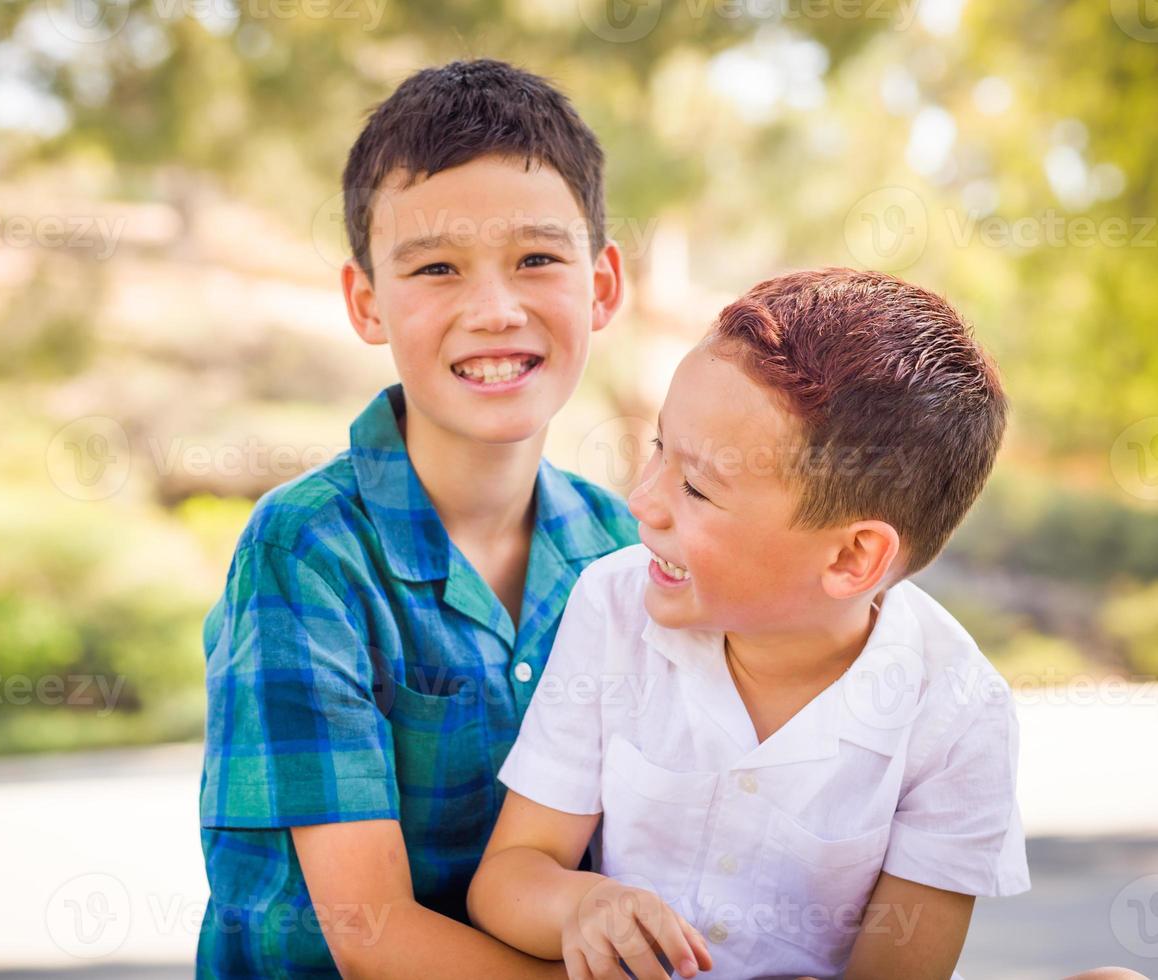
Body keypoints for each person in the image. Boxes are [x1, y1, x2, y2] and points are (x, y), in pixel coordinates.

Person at [466, 267, 1102, 979]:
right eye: (657, 449)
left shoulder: (956, 715)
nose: (642, 502)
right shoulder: (613, 606)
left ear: (854, 557)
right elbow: (510, 877)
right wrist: (577, 905)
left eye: (698, 487)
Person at [197, 59, 634, 976]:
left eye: (537, 259)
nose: (494, 309)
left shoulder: (621, 550)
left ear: (601, 286)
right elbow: (370, 935)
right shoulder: (305, 551)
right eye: (436, 267)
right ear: (367, 302)